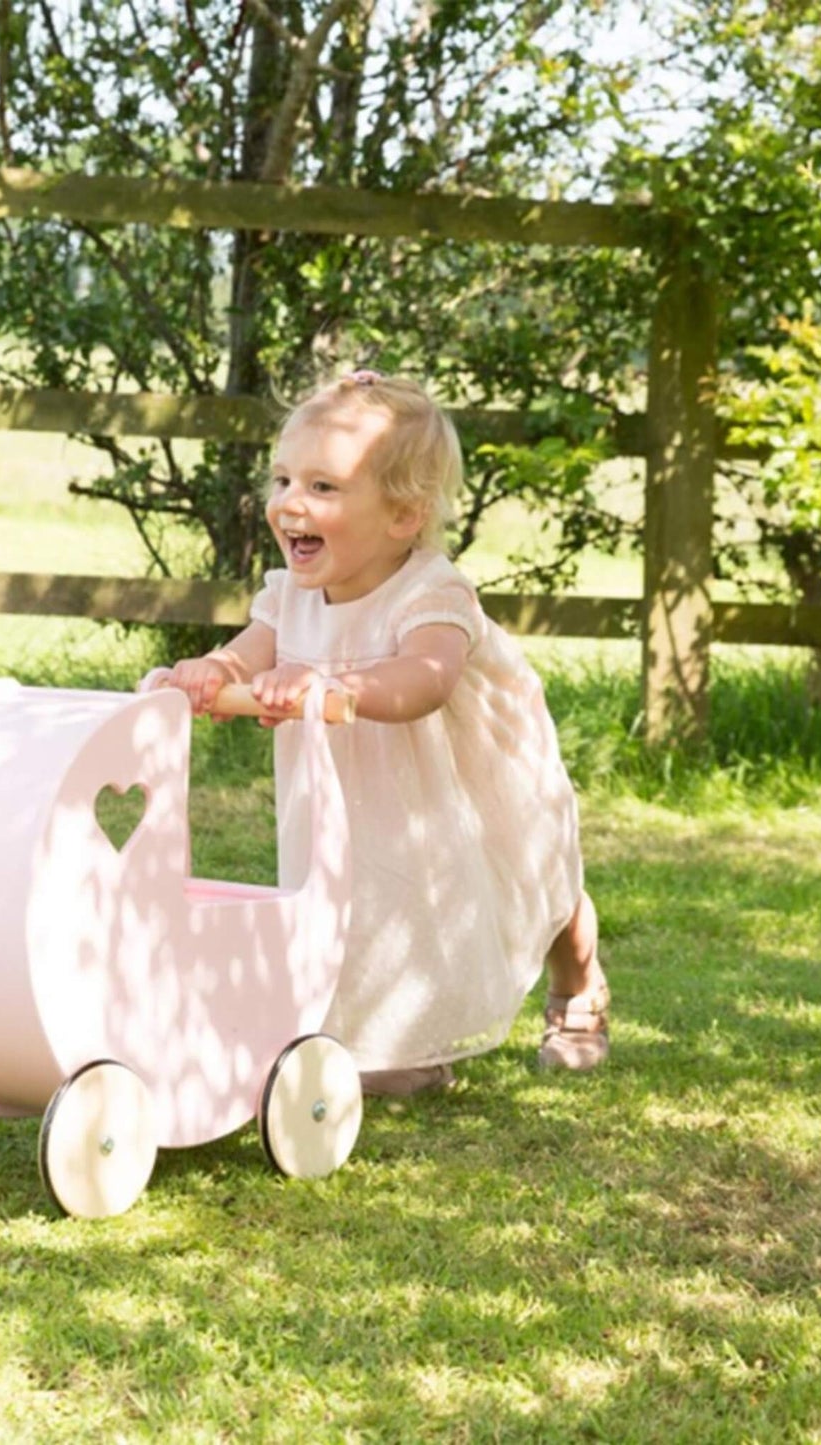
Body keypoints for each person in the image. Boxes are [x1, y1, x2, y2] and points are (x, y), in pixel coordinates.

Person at [146, 372, 609, 1095]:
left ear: (401, 516)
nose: (290, 502)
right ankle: (399, 1040)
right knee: (363, 896)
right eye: (282, 478)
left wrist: (334, 688)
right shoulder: (287, 595)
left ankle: (576, 984)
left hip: (464, 776)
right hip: (354, 786)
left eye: (324, 487)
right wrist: (212, 670)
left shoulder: (431, 591)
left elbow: (424, 678)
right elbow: (250, 650)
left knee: (527, 878)